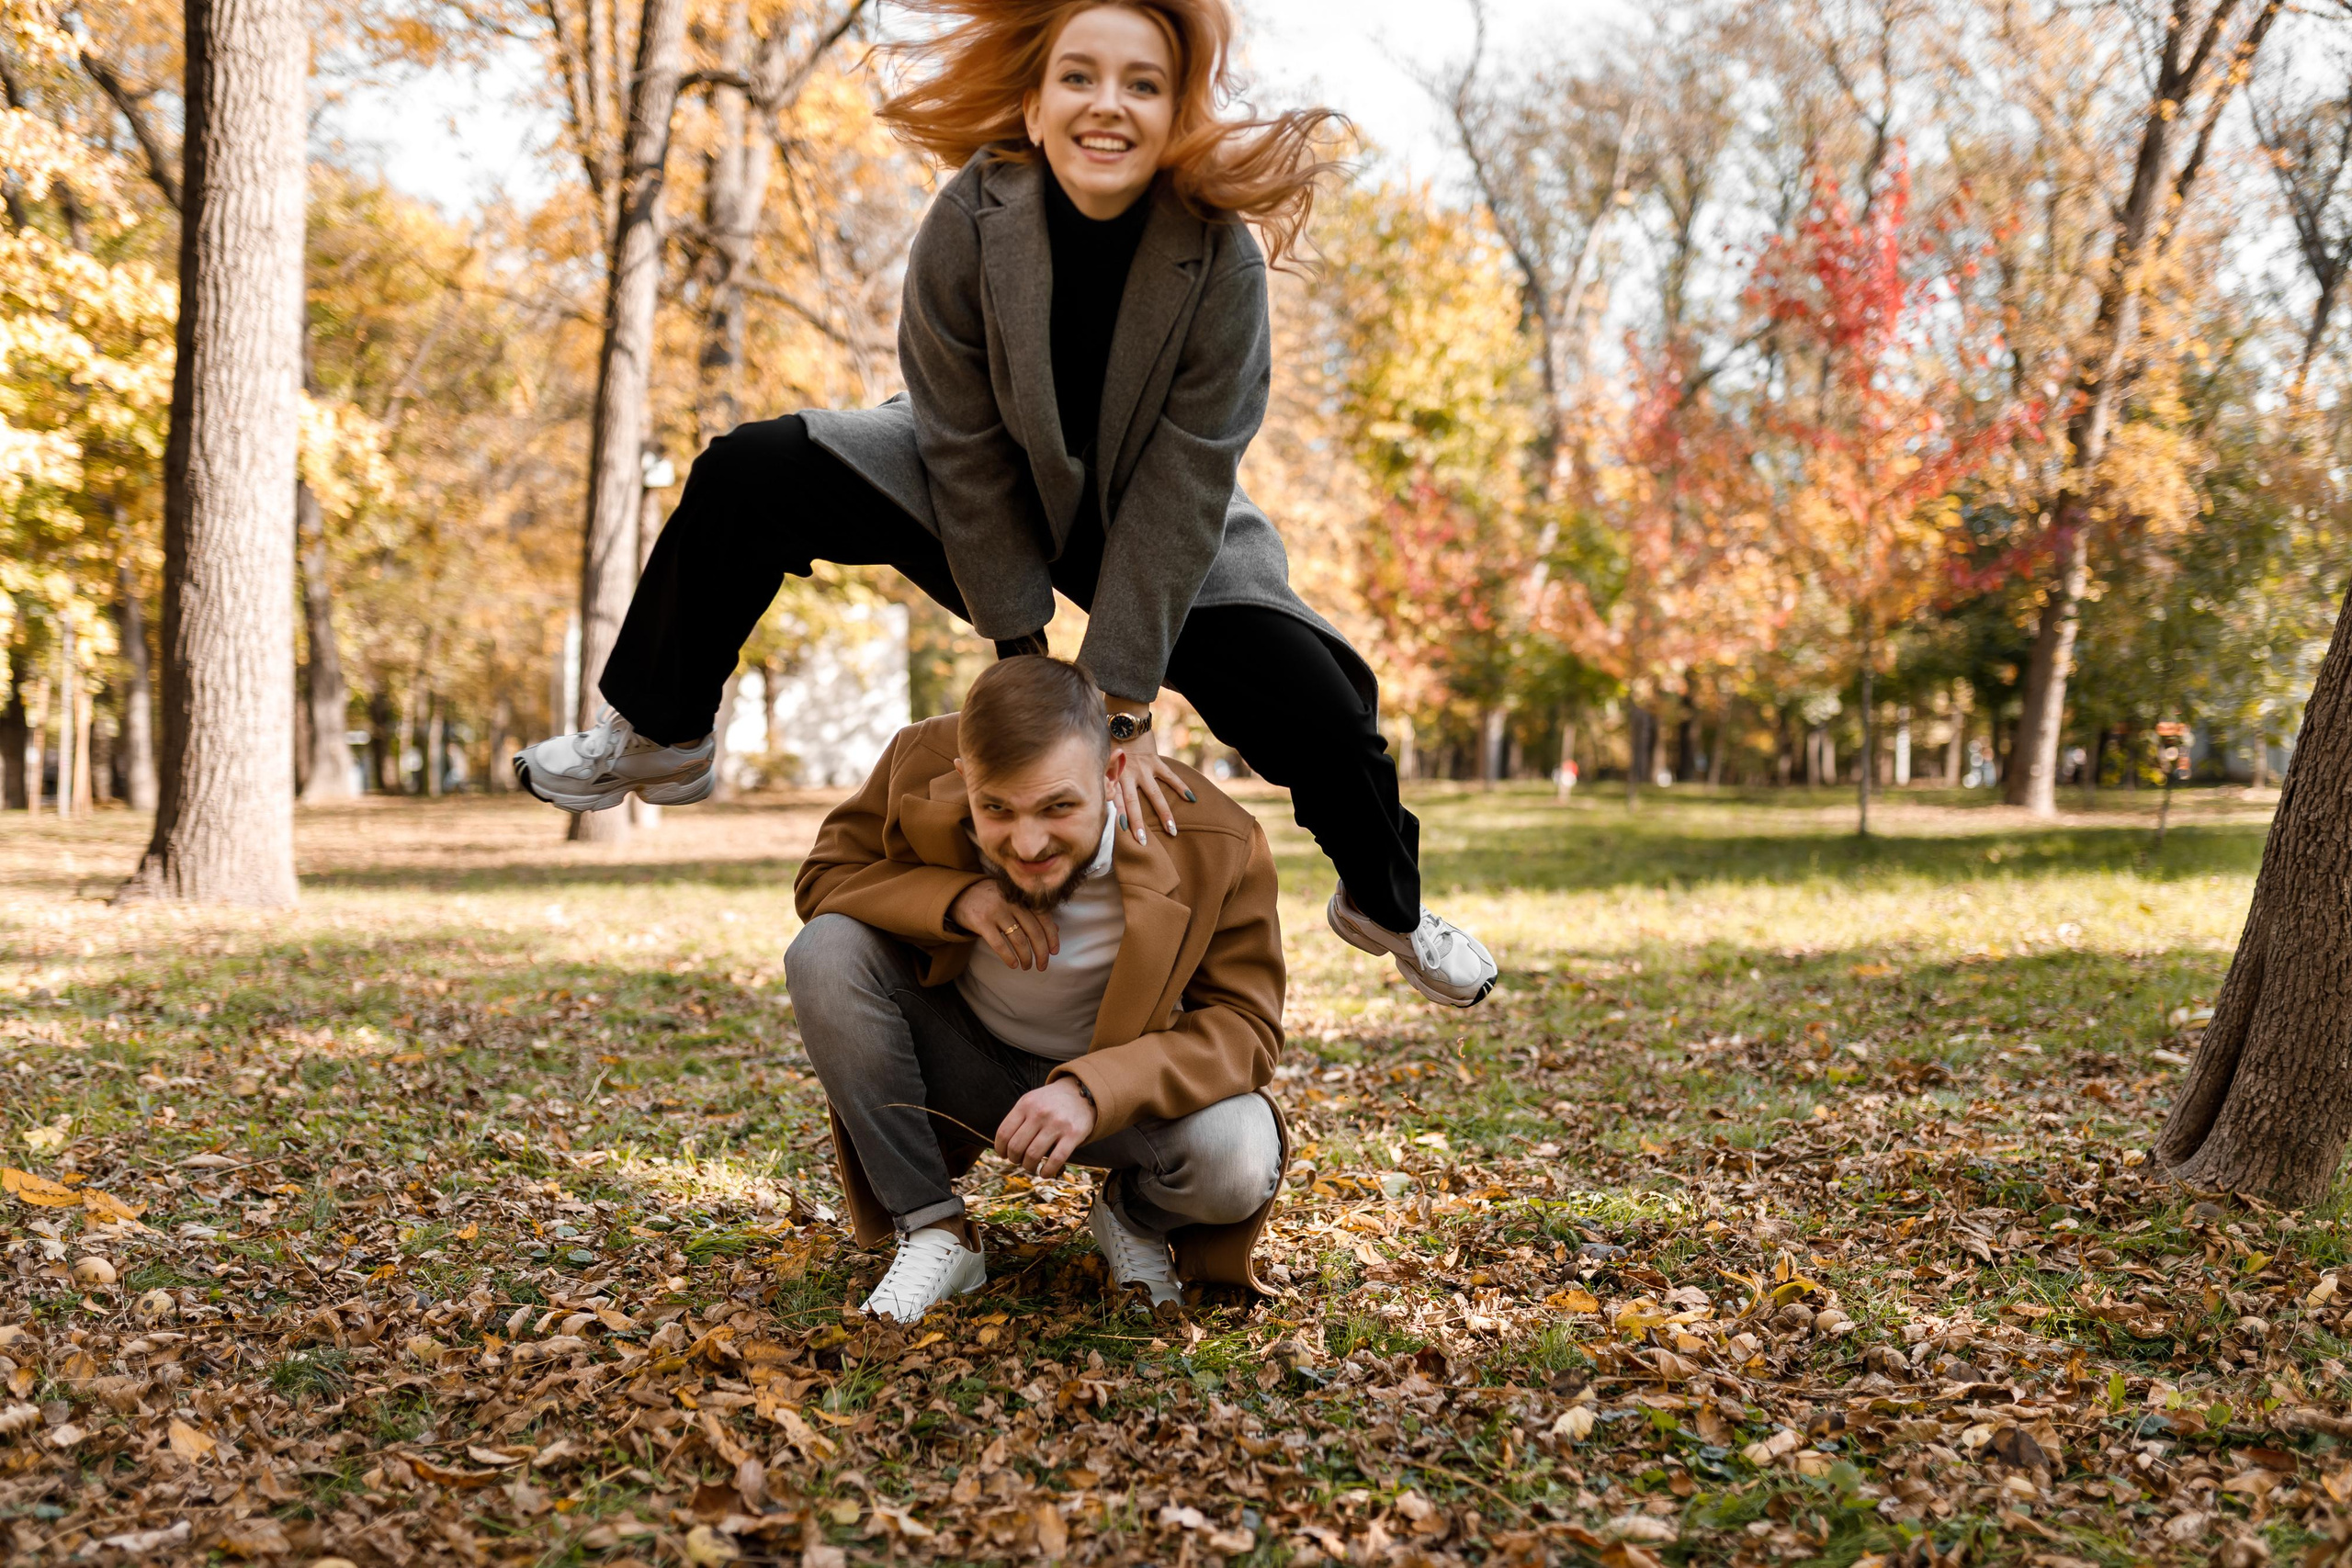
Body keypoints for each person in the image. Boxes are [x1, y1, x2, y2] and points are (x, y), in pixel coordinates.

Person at [512, 0, 1496, 1009]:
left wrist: (1115, 711)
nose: (1106, 105)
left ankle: (1389, 906)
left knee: (1323, 707)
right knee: (749, 468)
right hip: (971, 465)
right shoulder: (972, 218)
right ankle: (661, 731)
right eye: (1079, 78)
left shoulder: (1220, 261)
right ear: (1032, 106)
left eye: (1141, 85)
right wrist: (1025, 660)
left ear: (1173, 116)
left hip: (1148, 510)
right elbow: (961, 445)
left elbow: (1184, 483)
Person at [787, 656, 1288, 1323]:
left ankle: (1132, 1217)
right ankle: (933, 1228)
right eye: (996, 808)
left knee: (1240, 1153)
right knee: (824, 950)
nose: (1027, 843)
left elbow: (1247, 1028)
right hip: (962, 1062)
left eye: (1058, 807)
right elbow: (823, 878)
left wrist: (1092, 1088)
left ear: (1111, 773)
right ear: (966, 780)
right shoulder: (919, 756)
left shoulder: (1219, 839)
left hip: (1122, 1103)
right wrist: (954, 896)